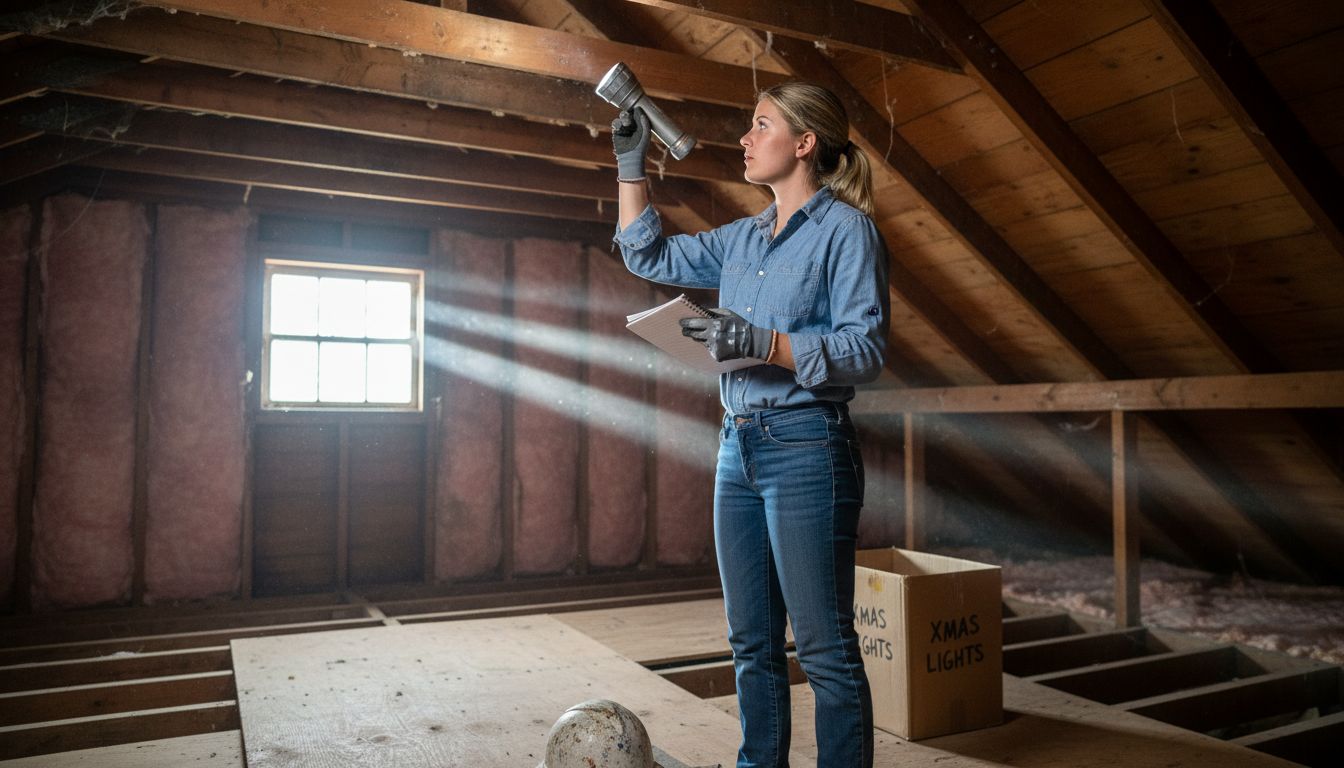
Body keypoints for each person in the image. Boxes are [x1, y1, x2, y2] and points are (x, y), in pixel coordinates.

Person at [611, 81, 889, 768]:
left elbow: (865, 350)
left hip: (808, 447)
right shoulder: (742, 238)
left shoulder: (846, 232)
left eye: (760, 125)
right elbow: (646, 256)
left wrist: (765, 344)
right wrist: (630, 168)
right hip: (737, 447)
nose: (744, 137)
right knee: (752, 643)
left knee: (823, 649)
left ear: (804, 144)